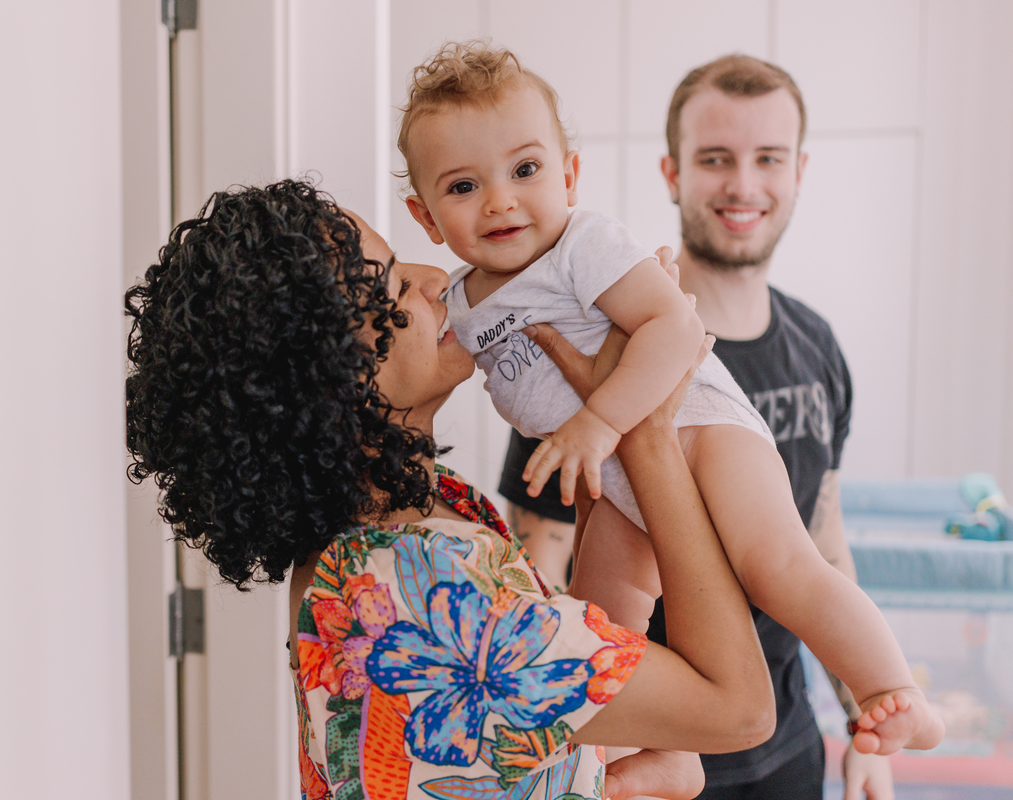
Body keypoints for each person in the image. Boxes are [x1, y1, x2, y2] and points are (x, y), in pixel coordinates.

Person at [123, 180, 776, 800]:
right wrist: (647, 433)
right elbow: (739, 709)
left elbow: (552, 680)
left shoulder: (418, 520)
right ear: (328, 379)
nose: (439, 281)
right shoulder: (423, 582)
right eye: (397, 285)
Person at [398, 40, 942, 769]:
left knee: (777, 563)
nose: (499, 199)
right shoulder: (460, 305)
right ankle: (637, 762)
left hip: (704, 430)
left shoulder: (580, 245)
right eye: (462, 187)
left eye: (525, 170)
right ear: (426, 215)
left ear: (569, 174)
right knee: (598, 622)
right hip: (622, 488)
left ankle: (890, 690)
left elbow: (675, 327)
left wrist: (599, 421)